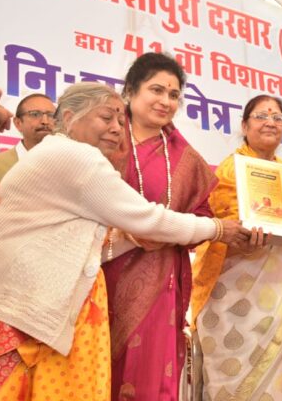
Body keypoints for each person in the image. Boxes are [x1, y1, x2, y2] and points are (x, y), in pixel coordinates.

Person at [0, 82, 249, 400]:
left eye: (120, 121)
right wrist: (218, 229)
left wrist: (136, 238)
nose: (116, 129)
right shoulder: (76, 156)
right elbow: (150, 219)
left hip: (11, 308)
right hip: (10, 314)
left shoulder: (56, 152)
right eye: (106, 117)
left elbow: (83, 236)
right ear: (69, 118)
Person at [101, 52, 219, 401]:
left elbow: (203, 215)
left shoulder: (186, 158)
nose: (166, 101)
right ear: (130, 91)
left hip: (158, 278)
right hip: (98, 270)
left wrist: (168, 232)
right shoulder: (101, 140)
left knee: (149, 375)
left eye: (173, 95)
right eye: (156, 90)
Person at [192, 95, 282, 400]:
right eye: (261, 116)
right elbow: (217, 231)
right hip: (232, 292)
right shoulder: (228, 171)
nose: (270, 123)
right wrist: (243, 239)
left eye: (277, 117)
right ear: (245, 126)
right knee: (232, 379)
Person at [0, 94, 55, 221]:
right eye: (35, 114)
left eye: (51, 115)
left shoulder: (69, 162)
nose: (45, 121)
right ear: (18, 123)